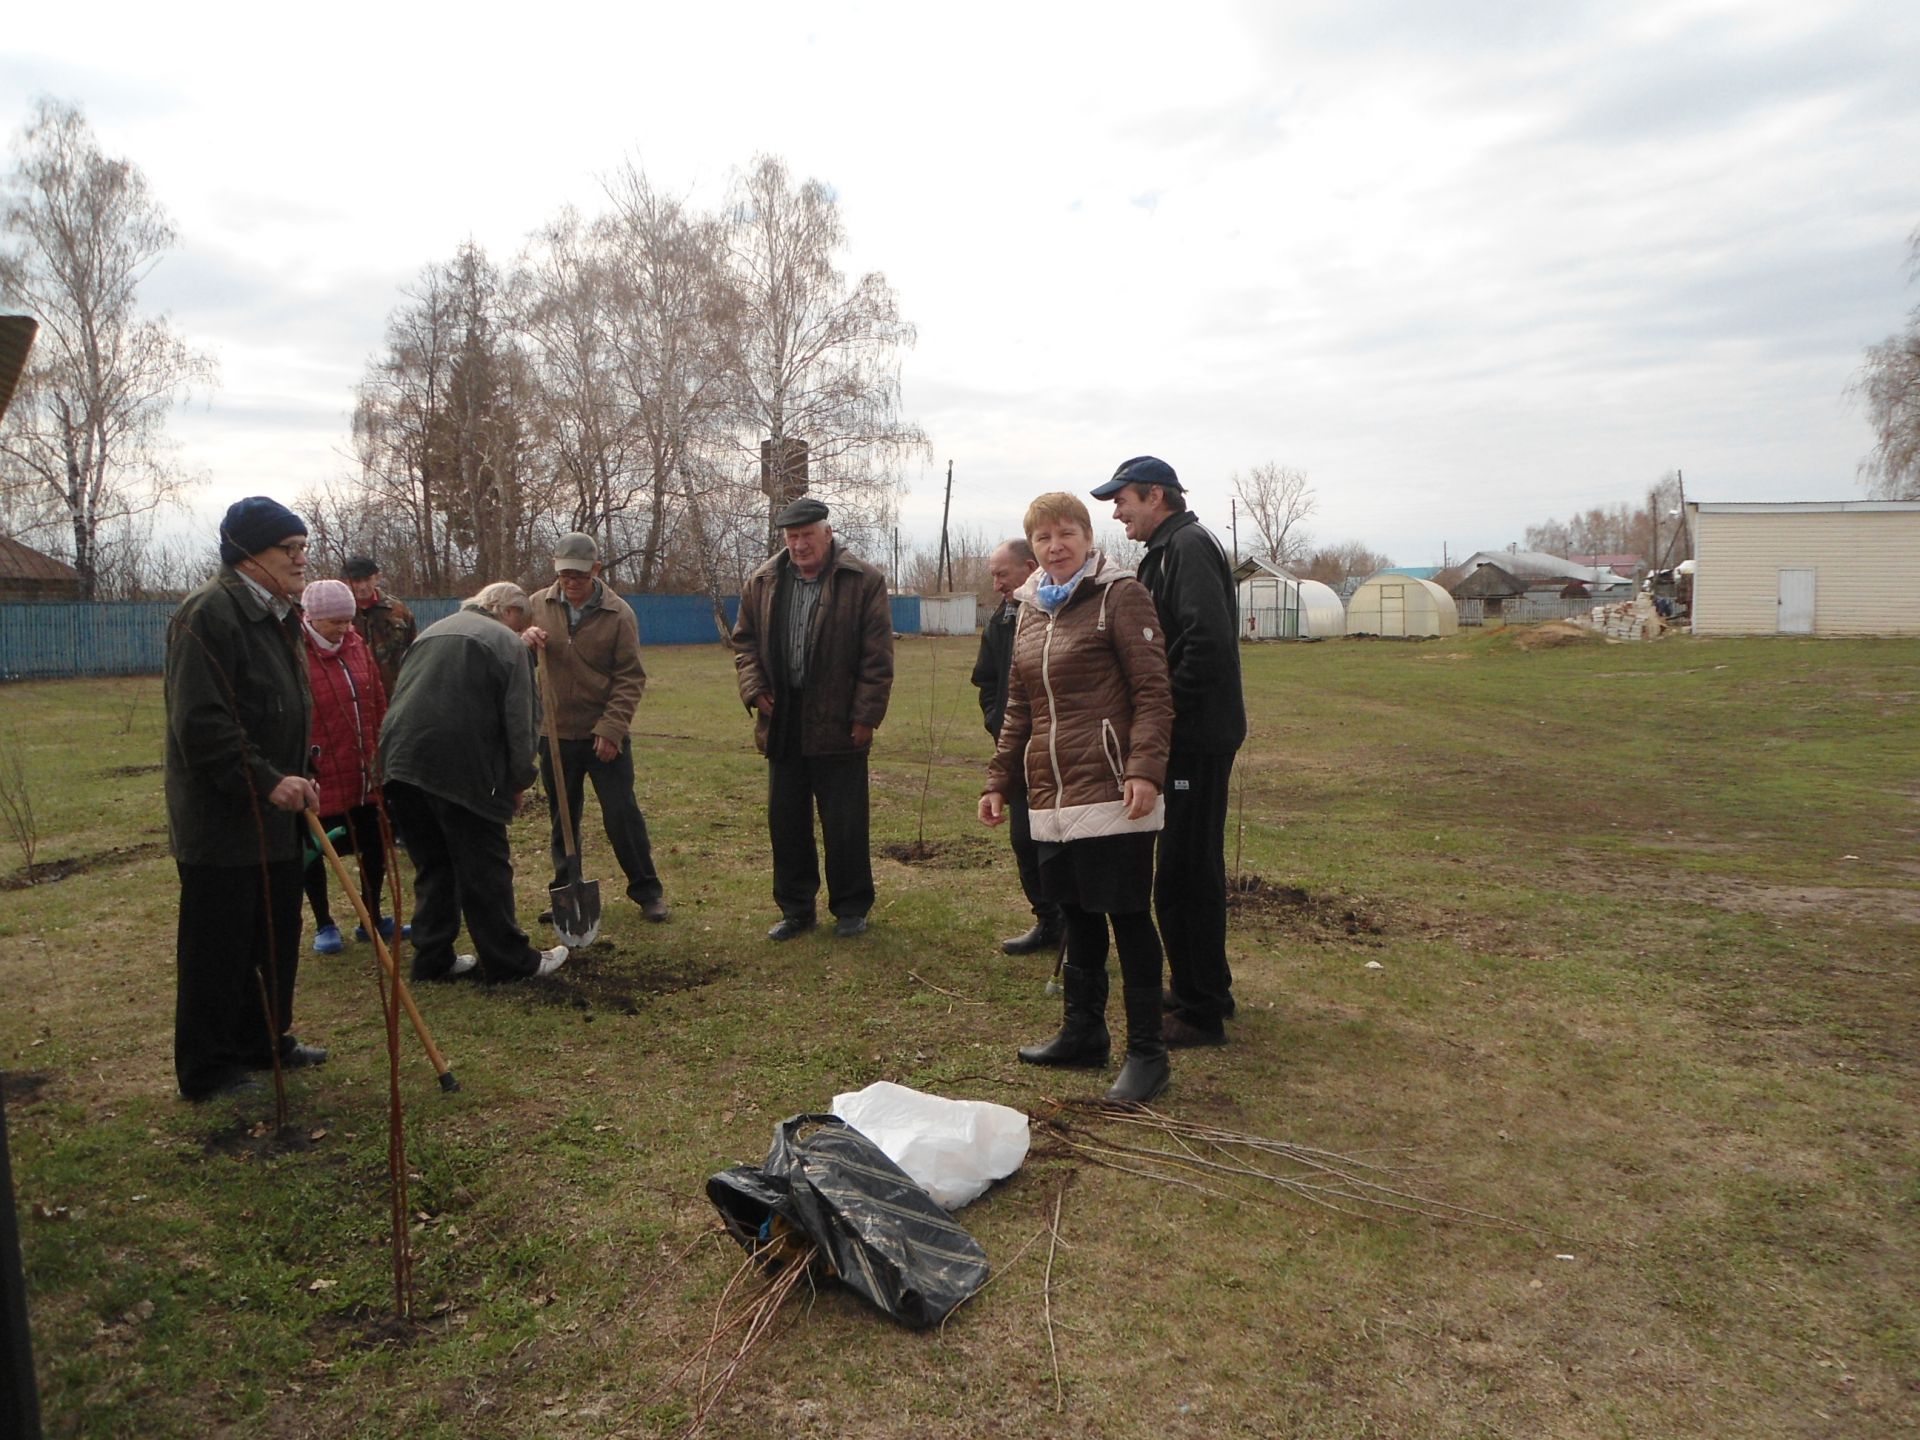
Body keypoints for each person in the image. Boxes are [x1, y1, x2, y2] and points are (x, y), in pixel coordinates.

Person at [980, 491, 1175, 1104]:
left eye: (1066, 533)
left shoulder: (1120, 595)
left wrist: (1144, 768)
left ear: (1089, 539)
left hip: (1112, 788)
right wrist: (998, 779)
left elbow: (1153, 690)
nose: (1055, 546)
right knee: (1079, 914)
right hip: (1051, 794)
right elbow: (1019, 707)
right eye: (1043, 538)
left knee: (1127, 916)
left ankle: (1147, 1053)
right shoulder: (1031, 608)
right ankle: (1082, 1033)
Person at [165, 496, 324, 1101]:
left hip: (277, 817)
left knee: (273, 933)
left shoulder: (281, 613)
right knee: (218, 946)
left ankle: (265, 1039)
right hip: (223, 819)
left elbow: (280, 708)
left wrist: (298, 771)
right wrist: (265, 778)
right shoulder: (208, 615)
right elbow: (202, 724)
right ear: (248, 555)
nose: (301, 560)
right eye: (289, 550)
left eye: (303, 548)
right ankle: (208, 1069)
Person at [1094, 456, 1247, 1047]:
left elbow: (1204, 644)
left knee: (1186, 873)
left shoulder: (1186, 548)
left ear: (1157, 495)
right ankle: (1202, 985)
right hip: (1186, 735)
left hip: (1195, 738)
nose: (1116, 511)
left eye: (1123, 499)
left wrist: (1160, 715)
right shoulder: (1167, 550)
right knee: (1185, 869)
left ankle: (1201, 1008)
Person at [380, 582, 566, 983]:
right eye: (523, 620)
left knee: (434, 864)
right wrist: (519, 780)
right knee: (485, 867)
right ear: (510, 612)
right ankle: (511, 962)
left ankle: (432, 959)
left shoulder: (432, 631)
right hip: (461, 768)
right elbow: (522, 723)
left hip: (399, 763)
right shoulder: (507, 642)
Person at [732, 496, 894, 940]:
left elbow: (877, 657)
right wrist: (754, 688)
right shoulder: (763, 581)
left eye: (807, 535)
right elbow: (743, 643)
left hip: (840, 717)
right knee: (785, 820)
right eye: (792, 537)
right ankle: (796, 909)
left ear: (827, 533)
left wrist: (866, 717)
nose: (800, 545)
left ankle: (851, 907)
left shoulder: (863, 580)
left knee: (845, 819)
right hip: (781, 716)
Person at [527, 532, 669, 924]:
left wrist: (611, 729)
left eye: (578, 574)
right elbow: (511, 655)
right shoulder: (538, 605)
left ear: (596, 569)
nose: (570, 582)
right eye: (564, 574)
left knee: (622, 815)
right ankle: (566, 890)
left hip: (602, 733)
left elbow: (629, 677)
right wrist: (523, 640)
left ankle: (647, 891)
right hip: (554, 733)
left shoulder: (618, 613)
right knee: (563, 819)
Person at [969, 538, 1062, 956]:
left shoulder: (1056, 614)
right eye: (993, 575)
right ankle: (1048, 922)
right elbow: (987, 681)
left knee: (1059, 845)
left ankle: (1077, 930)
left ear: (1028, 567)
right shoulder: (1002, 621)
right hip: (1017, 753)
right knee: (1024, 840)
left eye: (1001, 575)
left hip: (1061, 753)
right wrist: (997, 722)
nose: (996, 585)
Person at [299, 579, 394, 954]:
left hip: (362, 768)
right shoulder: (294, 650)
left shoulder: (356, 645)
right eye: (334, 622)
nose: (343, 628)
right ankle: (324, 923)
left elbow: (376, 697)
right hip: (319, 770)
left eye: (347, 620)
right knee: (314, 850)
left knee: (374, 844)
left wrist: (382, 744)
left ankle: (371, 917)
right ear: (312, 618)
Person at [343, 555, 417, 699]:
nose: (363, 586)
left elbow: (414, 651)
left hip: (396, 694)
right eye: (356, 581)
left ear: (377, 578)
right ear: (345, 582)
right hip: (354, 697)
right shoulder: (339, 614)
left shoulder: (398, 611)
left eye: (367, 579)